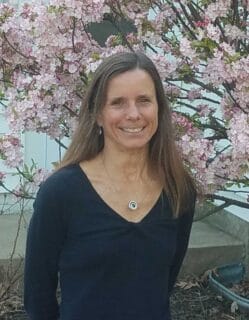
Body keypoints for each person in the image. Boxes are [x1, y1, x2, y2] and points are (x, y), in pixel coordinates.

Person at [24, 51, 197, 320]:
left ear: (159, 108)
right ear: (98, 114)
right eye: (117, 103)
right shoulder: (61, 194)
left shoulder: (178, 189)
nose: (133, 114)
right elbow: (37, 296)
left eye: (144, 101)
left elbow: (165, 283)